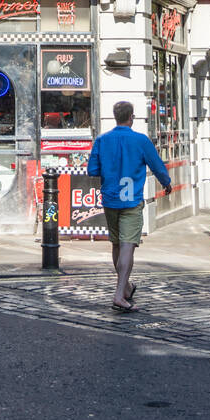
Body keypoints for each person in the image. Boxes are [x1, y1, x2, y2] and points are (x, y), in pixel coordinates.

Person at [87, 100, 172, 314]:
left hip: (110, 199)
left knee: (116, 244)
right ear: (131, 117)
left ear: (115, 117)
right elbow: (157, 166)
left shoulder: (102, 140)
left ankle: (125, 287)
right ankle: (119, 294)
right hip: (132, 201)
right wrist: (166, 183)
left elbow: (92, 170)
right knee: (127, 246)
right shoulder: (140, 140)